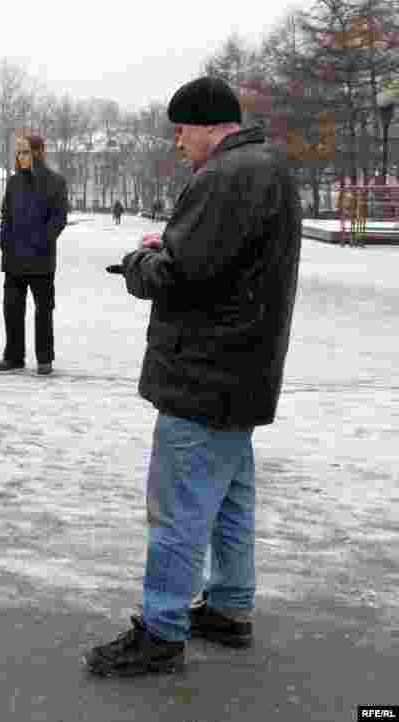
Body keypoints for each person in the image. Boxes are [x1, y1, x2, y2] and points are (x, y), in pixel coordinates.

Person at [84, 76, 302, 678]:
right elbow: (217, 256)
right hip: (243, 371)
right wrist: (173, 245)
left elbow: (179, 274)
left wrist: (138, 262)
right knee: (230, 498)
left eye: (181, 130)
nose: (179, 143)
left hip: (203, 373)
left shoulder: (226, 175)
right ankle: (229, 607)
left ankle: (162, 629)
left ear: (208, 124)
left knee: (178, 507)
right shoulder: (269, 167)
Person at [0, 134, 69, 376]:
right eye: (18, 153)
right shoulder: (13, 182)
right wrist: (5, 242)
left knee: (43, 310)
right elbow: (6, 215)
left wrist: (39, 242)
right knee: (12, 309)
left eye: (25, 152)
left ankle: (44, 358)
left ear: (38, 152)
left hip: (41, 260)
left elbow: (58, 219)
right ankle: (14, 357)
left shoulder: (56, 182)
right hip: (14, 259)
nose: (20, 157)